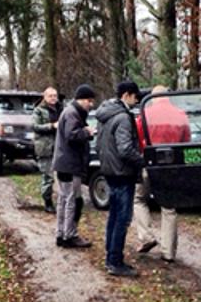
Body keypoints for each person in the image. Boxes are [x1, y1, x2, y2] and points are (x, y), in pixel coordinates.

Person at [134, 85, 191, 263]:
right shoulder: (181, 115)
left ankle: (146, 236)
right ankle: (168, 252)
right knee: (169, 208)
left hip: (148, 164)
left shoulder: (143, 115)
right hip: (171, 168)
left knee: (139, 199)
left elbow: (137, 140)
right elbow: (186, 142)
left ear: (153, 97)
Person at [95, 80, 144, 276]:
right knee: (122, 218)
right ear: (126, 95)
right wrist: (141, 160)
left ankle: (111, 257)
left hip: (109, 171)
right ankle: (115, 262)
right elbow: (125, 149)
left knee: (114, 216)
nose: (136, 100)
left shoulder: (105, 114)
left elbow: (101, 144)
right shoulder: (123, 117)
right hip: (123, 173)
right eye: (135, 96)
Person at [51, 84, 96, 248]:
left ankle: (61, 234)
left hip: (64, 163)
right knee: (71, 201)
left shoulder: (70, 111)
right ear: (82, 99)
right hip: (69, 164)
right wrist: (88, 132)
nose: (91, 104)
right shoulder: (72, 113)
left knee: (64, 200)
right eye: (89, 101)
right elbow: (72, 135)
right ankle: (69, 235)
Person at [32, 87, 61, 212]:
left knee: (62, 175)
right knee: (48, 176)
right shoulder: (38, 110)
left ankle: (63, 201)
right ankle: (47, 202)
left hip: (59, 146)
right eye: (50, 96)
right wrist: (52, 126)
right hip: (45, 146)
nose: (53, 98)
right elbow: (35, 126)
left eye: (55, 95)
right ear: (45, 97)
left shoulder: (61, 108)